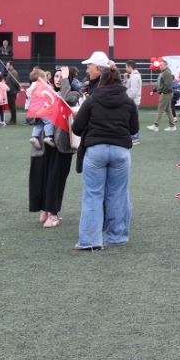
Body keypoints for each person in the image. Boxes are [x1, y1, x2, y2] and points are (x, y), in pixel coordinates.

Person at [71, 57, 138, 251]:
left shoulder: (92, 99)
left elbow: (77, 128)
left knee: (93, 195)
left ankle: (90, 240)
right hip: (120, 151)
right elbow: (133, 129)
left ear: (101, 80)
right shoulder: (128, 101)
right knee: (118, 194)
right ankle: (117, 237)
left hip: (95, 150)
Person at [30, 66, 79, 228]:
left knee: (55, 180)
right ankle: (44, 209)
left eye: (62, 76)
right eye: (56, 76)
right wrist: (39, 111)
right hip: (42, 146)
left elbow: (67, 99)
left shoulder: (74, 93)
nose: (58, 79)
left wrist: (65, 82)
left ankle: (53, 214)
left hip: (62, 146)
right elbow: (31, 119)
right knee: (40, 178)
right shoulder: (45, 93)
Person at [148, 62, 177, 132]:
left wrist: (163, 92)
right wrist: (154, 90)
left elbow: (168, 84)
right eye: (159, 65)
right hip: (167, 93)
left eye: (161, 65)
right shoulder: (163, 73)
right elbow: (159, 84)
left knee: (160, 109)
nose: (159, 66)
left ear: (165, 65)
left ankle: (156, 125)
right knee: (168, 110)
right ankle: (172, 126)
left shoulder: (166, 73)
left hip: (166, 93)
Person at [2, 61, 22, 126]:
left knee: (12, 106)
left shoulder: (13, 72)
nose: (6, 66)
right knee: (11, 106)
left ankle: (13, 120)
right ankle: (12, 119)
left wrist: (18, 89)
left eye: (7, 65)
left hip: (12, 91)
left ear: (11, 65)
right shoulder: (10, 72)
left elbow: (15, 82)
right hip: (10, 91)